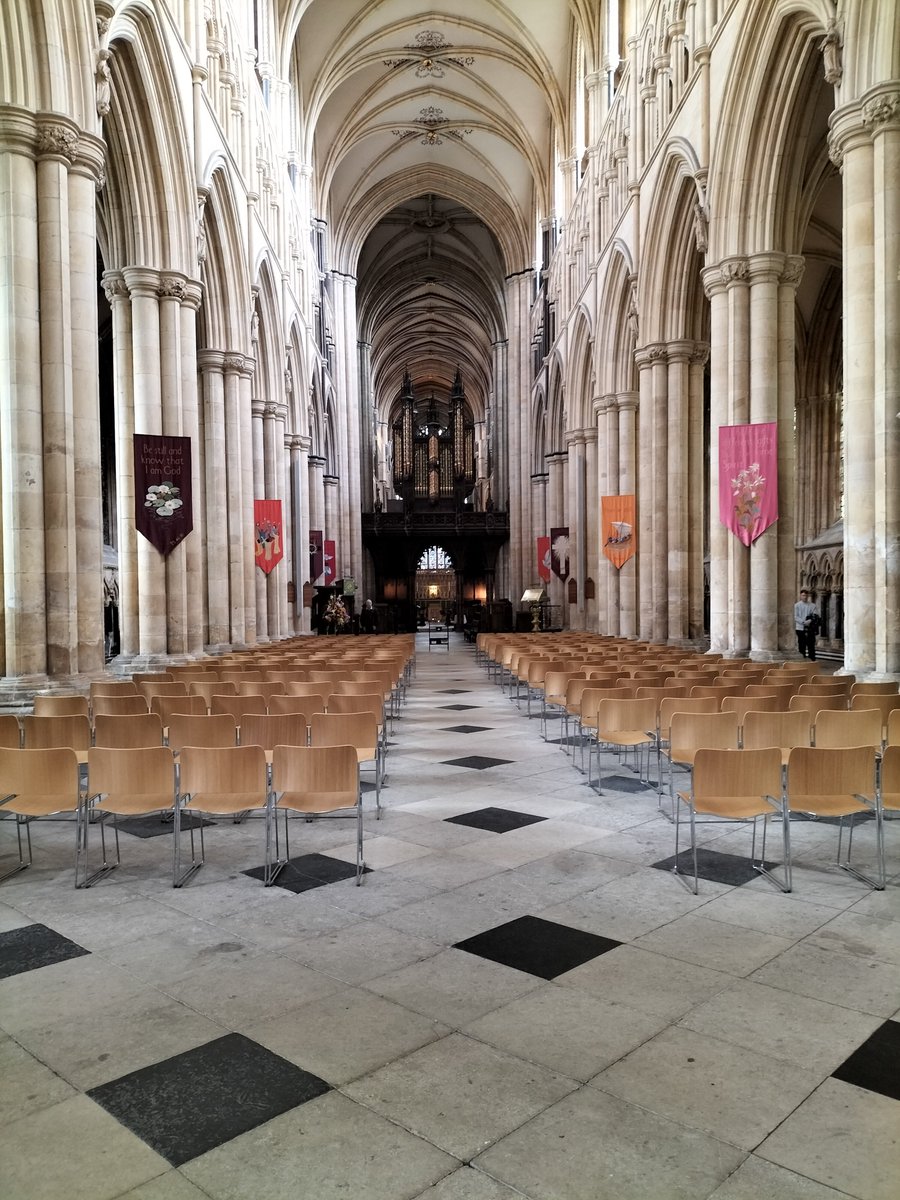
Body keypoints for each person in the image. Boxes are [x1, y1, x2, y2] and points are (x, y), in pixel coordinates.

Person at [793, 588, 819, 660]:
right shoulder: (797, 605)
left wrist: (810, 620)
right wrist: (803, 622)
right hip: (800, 627)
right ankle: (802, 658)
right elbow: (796, 616)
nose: (804, 597)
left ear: (808, 596)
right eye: (803, 595)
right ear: (800, 596)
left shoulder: (812, 605)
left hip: (810, 627)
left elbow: (815, 615)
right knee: (801, 644)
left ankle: (812, 659)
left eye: (805, 595)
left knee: (811, 644)